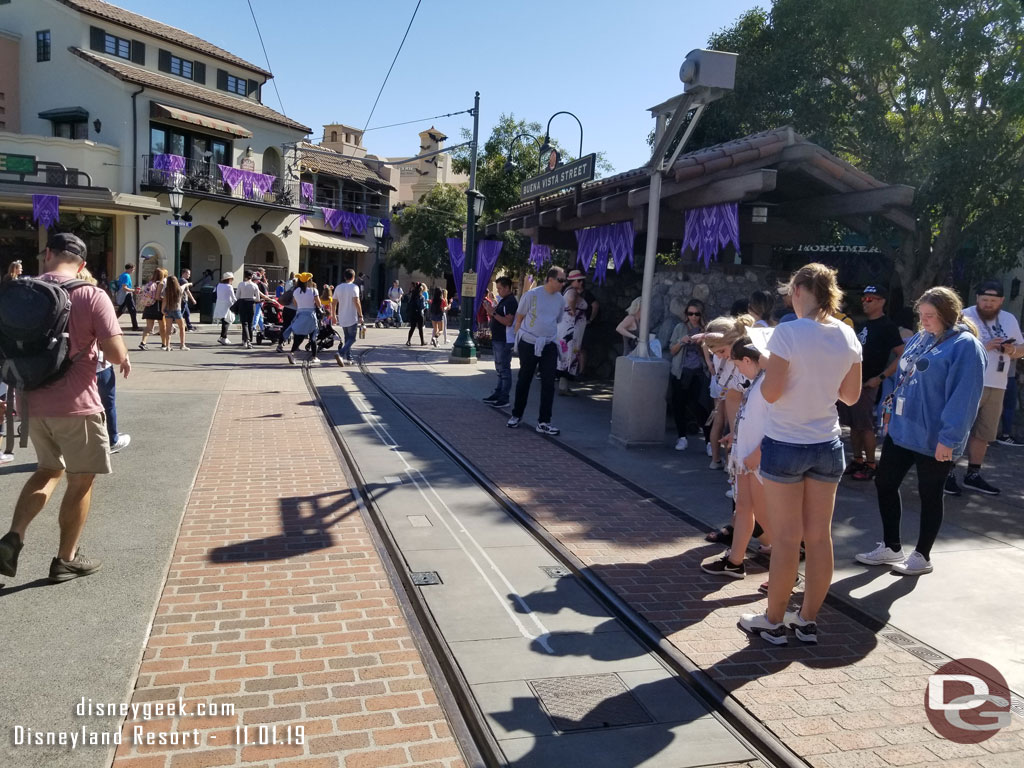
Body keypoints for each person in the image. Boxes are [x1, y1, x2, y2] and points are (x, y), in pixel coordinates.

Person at [739, 263, 862, 645]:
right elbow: (851, 396)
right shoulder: (847, 334)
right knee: (820, 537)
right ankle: (806, 620)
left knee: (788, 538)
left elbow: (771, 392)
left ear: (797, 291)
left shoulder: (787, 332)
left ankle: (773, 620)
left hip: (785, 441)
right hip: (826, 442)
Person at [0, 233, 129, 584]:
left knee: (46, 470)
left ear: (48, 254)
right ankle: (65, 559)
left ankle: (14, 536)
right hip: (75, 406)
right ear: (83, 264)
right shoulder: (90, 294)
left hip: (29, 402)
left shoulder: (17, 292)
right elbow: (115, 354)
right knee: (81, 480)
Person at [856, 287, 986, 576]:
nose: (924, 320)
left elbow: (964, 397)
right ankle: (892, 546)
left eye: (931, 316)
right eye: (922, 315)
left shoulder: (965, 346)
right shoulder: (921, 337)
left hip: (935, 436)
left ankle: (922, 555)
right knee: (885, 483)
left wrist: (949, 439)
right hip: (903, 429)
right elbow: (904, 375)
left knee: (930, 494)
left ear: (948, 314)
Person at [946, 280, 1024, 495]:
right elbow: (951, 347)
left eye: (993, 300)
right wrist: (984, 346)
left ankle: (973, 474)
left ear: (1001, 301)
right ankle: (947, 472)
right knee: (960, 428)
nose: (988, 304)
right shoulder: (964, 315)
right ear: (977, 298)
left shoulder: (1008, 319)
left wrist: (1011, 350)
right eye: (984, 300)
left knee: (985, 432)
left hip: (997, 382)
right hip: (969, 381)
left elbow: (1022, 349)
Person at [702, 337, 771, 579]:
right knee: (743, 508)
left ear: (747, 360)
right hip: (745, 456)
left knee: (767, 516)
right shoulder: (755, 382)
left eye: (738, 364)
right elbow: (750, 416)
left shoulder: (767, 385)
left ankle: (788, 562)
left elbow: (778, 424)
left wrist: (758, 452)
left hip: (757, 460)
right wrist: (735, 435)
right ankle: (735, 560)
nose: (737, 370)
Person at [841, 286, 905, 481]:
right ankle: (858, 459)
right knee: (854, 425)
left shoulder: (887, 326)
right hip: (855, 381)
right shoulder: (863, 324)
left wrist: (881, 377)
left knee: (866, 425)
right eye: (863, 299)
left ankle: (870, 463)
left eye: (870, 299)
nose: (865, 302)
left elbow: (903, 355)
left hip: (869, 383)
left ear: (881, 301)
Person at [508, 266, 567, 435]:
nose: (563, 284)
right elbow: (519, 317)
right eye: (561, 280)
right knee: (524, 379)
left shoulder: (560, 299)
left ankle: (544, 421)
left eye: (564, 281)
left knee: (548, 382)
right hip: (529, 342)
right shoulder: (532, 295)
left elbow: (558, 320)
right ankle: (516, 415)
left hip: (549, 344)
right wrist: (517, 340)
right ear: (550, 279)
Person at [668, 300, 711, 451]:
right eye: (690, 313)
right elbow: (672, 351)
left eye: (696, 314)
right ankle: (682, 437)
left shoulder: (705, 329)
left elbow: (709, 354)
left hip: (698, 373)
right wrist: (682, 342)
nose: (693, 317)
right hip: (681, 372)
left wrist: (701, 345)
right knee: (679, 404)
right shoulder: (680, 328)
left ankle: (709, 442)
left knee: (701, 407)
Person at [483, 276, 518, 407]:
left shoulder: (510, 302)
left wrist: (492, 313)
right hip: (499, 339)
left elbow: (508, 322)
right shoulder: (505, 301)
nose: (498, 291)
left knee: (504, 369)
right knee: (500, 369)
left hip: (505, 339)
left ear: (507, 288)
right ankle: (498, 393)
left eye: (500, 289)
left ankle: (504, 397)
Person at [556, 269, 589, 395]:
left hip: (569, 329)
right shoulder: (572, 292)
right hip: (571, 330)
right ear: (573, 281)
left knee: (567, 353)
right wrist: (574, 310)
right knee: (569, 353)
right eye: (579, 280)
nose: (581, 283)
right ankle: (564, 387)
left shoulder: (569, 291)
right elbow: (571, 299)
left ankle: (564, 386)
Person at [285, 272, 323, 365]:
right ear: (309, 281)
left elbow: (295, 303)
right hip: (310, 315)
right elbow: (318, 303)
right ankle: (314, 357)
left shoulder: (296, 291)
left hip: (300, 315)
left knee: (300, 336)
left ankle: (291, 353)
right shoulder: (313, 290)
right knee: (313, 336)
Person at [333, 268, 363, 366]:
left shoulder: (338, 287)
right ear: (353, 277)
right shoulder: (355, 287)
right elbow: (356, 301)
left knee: (347, 338)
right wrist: (361, 315)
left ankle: (349, 358)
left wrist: (333, 315)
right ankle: (341, 353)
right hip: (352, 316)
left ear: (344, 277)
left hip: (342, 316)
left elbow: (333, 303)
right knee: (352, 338)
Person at [236, 270, 267, 349]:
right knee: (250, 323)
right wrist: (251, 297)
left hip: (243, 303)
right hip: (251, 304)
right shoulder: (254, 285)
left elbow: (237, 297)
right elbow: (257, 298)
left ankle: (246, 340)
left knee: (244, 323)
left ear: (244, 276)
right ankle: (249, 341)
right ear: (252, 276)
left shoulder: (241, 284)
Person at [137, 268, 166, 350]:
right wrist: (163, 298)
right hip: (157, 307)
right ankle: (164, 343)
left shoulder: (149, 283)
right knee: (162, 326)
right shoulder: (160, 284)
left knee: (149, 327)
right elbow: (157, 297)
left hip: (149, 306)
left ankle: (143, 342)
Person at [160, 276, 189, 351]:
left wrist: (162, 309)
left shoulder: (167, 290)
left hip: (168, 309)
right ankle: (182, 345)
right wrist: (188, 284)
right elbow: (184, 286)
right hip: (177, 310)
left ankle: (168, 346)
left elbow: (164, 300)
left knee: (168, 329)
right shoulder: (178, 289)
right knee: (182, 327)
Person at [214, 272, 237, 345]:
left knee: (224, 321)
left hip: (219, 304)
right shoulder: (229, 286)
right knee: (227, 321)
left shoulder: (219, 285)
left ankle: (223, 337)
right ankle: (223, 337)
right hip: (227, 305)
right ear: (229, 279)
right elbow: (233, 297)